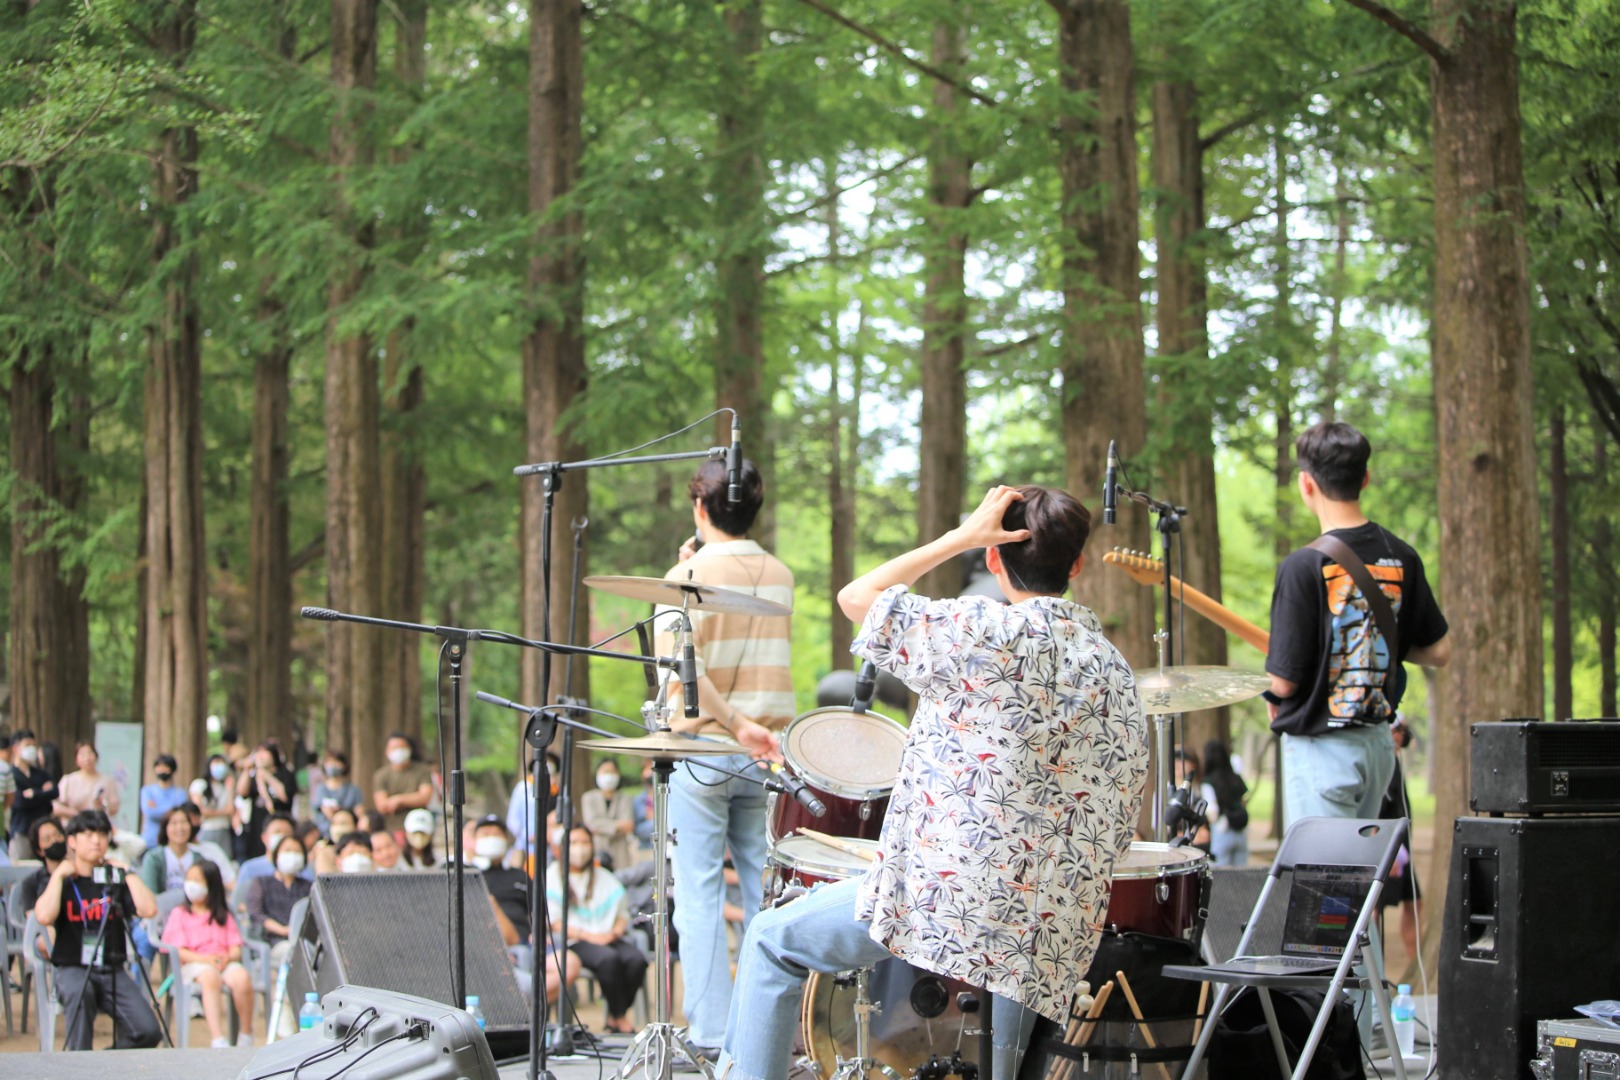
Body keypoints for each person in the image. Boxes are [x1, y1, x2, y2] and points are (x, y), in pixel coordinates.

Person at [716, 485, 1148, 1080]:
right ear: (1076, 565)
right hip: (1052, 929)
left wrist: (958, 537)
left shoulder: (977, 630)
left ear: (993, 557)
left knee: (770, 937)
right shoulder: (1114, 669)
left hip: (950, 904)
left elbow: (856, 597)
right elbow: (1121, 818)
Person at [661, 457, 796, 1055]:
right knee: (766, 896)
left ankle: (714, 1036)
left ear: (700, 507)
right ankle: (768, 1034)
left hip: (707, 749)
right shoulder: (781, 575)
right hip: (768, 755)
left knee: (699, 895)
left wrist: (735, 723)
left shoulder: (684, 575)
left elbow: (682, 669)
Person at [1264, 421, 1452, 829]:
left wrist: (1268, 691)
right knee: (1359, 866)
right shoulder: (1401, 555)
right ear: (1365, 478)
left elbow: (1284, 683)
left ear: (1306, 484)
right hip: (1377, 747)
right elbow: (1440, 651)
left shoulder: (1303, 566)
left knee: (1323, 869)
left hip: (1322, 750)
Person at [33, 809, 163, 1050]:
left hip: (112, 967)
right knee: (81, 996)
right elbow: (43, 916)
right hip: (73, 967)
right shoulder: (62, 879)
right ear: (72, 841)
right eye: (89, 834)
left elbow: (149, 909)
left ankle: (104, 1062)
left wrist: (128, 874)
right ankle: (81, 1064)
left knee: (148, 1031)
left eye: (102, 834)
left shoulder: (115, 878)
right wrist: (58, 875)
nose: (96, 840)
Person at [546, 825, 647, 1035]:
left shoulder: (604, 877)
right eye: (574, 843)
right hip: (575, 939)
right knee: (607, 959)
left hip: (608, 936)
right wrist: (589, 936)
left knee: (636, 959)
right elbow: (554, 921)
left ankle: (616, 1016)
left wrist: (614, 933)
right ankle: (619, 1018)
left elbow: (622, 913)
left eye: (585, 843)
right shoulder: (553, 876)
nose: (580, 849)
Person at [162, 859, 255, 1047]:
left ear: (211, 885)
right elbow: (179, 951)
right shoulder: (180, 914)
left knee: (242, 978)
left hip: (223, 962)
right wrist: (206, 960)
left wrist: (227, 957)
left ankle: (246, 1034)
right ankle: (217, 1038)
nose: (192, 885)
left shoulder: (223, 914)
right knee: (210, 977)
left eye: (198, 880)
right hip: (193, 965)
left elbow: (235, 948)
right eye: (189, 879)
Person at [246, 833, 314, 1037]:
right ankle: (285, 1019)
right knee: (290, 955)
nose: (292, 855)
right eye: (287, 850)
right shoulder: (262, 882)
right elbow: (256, 914)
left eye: (296, 851)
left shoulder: (308, 886)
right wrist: (283, 930)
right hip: (274, 943)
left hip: (303, 943)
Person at [1377, 720, 1422, 964]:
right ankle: (1373, 967)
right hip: (1389, 851)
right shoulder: (1382, 764)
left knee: (1414, 901)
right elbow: (1375, 812)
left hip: (1402, 851)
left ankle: (1414, 962)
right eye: (1399, 730)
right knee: (1374, 909)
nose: (1404, 736)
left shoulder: (1394, 762)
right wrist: (1386, 852)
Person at [235, 741, 297, 860]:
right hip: (257, 825)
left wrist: (266, 776)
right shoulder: (254, 775)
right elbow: (242, 792)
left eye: (264, 752)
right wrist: (247, 770)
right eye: (258, 753)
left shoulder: (285, 773)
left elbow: (285, 796)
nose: (260, 756)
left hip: (279, 821)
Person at [8, 730, 59, 862]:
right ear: (15, 748)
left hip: (43, 832)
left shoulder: (40, 774)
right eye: (27, 745)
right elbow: (20, 802)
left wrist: (34, 793)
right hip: (21, 832)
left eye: (33, 745)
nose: (31, 749)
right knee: (20, 867)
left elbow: (55, 792)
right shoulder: (11, 774)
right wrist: (43, 793)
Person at [140, 806, 215, 894]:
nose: (180, 828)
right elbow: (149, 893)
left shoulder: (199, 859)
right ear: (165, 828)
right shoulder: (153, 858)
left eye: (184, 822)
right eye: (174, 823)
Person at [371, 733, 434, 837]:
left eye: (402, 747)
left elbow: (424, 797)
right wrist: (412, 799)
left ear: (410, 749)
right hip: (392, 828)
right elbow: (382, 805)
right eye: (394, 748)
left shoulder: (422, 771)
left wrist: (398, 800)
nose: (399, 751)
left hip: (419, 827)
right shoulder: (381, 775)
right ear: (387, 751)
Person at [1201, 739, 1250, 867]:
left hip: (1222, 829)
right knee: (1241, 872)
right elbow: (1244, 799)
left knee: (1221, 872)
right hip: (1240, 830)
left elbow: (1213, 812)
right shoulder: (1235, 777)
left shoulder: (1208, 781)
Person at [582, 758, 636, 872]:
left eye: (612, 772)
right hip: (598, 849)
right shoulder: (589, 798)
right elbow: (591, 823)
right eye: (605, 772)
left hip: (620, 853)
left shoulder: (625, 798)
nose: (609, 776)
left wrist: (602, 826)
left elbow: (628, 824)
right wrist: (617, 826)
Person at [54, 741, 120, 820]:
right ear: (76, 760)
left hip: (98, 824)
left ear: (96, 756)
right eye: (82, 754)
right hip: (74, 824)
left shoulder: (107, 781)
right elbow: (56, 807)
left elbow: (114, 809)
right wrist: (75, 814)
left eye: (90, 753)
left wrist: (103, 805)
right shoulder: (68, 780)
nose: (87, 758)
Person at [138, 754, 189, 850]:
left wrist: (158, 808)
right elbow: (150, 813)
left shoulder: (180, 793)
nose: (162, 770)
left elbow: (180, 813)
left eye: (165, 767)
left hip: (173, 843)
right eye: (159, 767)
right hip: (150, 842)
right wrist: (172, 808)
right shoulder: (148, 791)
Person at [311, 750, 365, 837]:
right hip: (325, 834)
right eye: (329, 762)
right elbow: (326, 812)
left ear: (344, 765)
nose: (332, 765)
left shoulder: (353, 790)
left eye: (336, 762)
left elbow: (360, 813)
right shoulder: (321, 790)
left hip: (349, 833)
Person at [189, 754, 236, 854]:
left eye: (222, 763)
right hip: (206, 829)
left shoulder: (225, 787)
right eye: (216, 762)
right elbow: (200, 811)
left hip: (223, 830)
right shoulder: (200, 784)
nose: (220, 766)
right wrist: (224, 812)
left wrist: (230, 789)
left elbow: (231, 810)